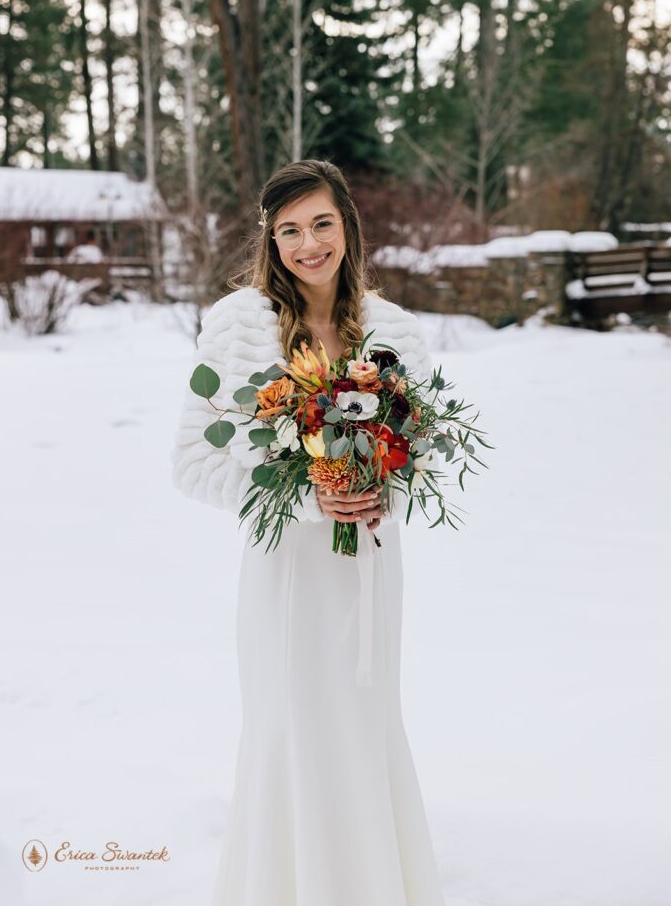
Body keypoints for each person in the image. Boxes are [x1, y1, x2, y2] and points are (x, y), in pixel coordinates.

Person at [171, 159, 446, 905]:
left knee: (364, 725)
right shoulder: (238, 328)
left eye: (321, 223)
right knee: (291, 731)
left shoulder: (394, 333)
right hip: (287, 576)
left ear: (347, 227)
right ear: (271, 239)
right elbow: (193, 463)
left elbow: (423, 446)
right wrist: (306, 498)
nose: (308, 244)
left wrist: (381, 480)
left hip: (368, 570)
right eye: (289, 230)